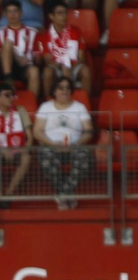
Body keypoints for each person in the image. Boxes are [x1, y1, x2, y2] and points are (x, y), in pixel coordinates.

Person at [34, 77, 94, 207]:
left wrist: (76, 144)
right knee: (45, 156)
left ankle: (63, 194)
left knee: (84, 156)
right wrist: (53, 144)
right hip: (51, 146)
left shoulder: (80, 107)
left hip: (75, 146)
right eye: (61, 87)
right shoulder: (46, 107)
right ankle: (68, 195)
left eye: (67, 87)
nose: (65, 90)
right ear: (54, 91)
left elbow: (88, 131)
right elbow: (37, 132)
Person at [0, 85, 34, 198]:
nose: (11, 98)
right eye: (7, 95)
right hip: (0, 151)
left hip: (18, 149)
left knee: (26, 158)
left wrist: (22, 149)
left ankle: (9, 193)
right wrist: (4, 151)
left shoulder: (21, 110)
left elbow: (30, 136)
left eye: (13, 95)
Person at [0, 0, 41, 98]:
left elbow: (38, 57)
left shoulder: (33, 32)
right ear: (5, 14)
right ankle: (8, 79)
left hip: (24, 67)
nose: (12, 14)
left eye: (15, 11)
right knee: (7, 43)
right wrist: (16, 58)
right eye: (9, 11)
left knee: (34, 71)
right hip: (4, 67)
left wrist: (30, 60)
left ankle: (31, 105)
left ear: (21, 13)